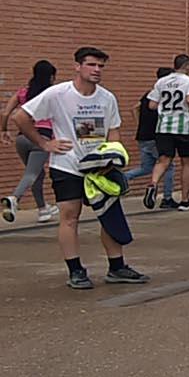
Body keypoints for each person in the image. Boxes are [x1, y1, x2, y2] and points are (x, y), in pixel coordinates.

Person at [8, 47, 147, 289]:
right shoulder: (57, 94)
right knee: (70, 217)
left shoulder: (107, 98)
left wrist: (112, 157)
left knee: (109, 217)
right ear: (77, 66)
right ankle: (76, 271)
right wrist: (44, 143)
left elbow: (113, 130)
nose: (96, 70)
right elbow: (20, 116)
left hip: (100, 168)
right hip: (67, 166)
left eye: (101, 66)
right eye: (91, 65)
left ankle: (117, 267)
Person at [143, 54, 189, 211]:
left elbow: (152, 105)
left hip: (163, 127)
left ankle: (153, 184)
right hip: (184, 127)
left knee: (163, 160)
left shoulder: (161, 82)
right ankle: (185, 200)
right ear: (187, 66)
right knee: (186, 162)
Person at [3, 60, 59, 223]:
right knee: (32, 173)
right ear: (51, 77)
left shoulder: (23, 92)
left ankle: (43, 210)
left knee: (38, 173)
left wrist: (4, 130)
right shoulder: (52, 94)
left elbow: (6, 113)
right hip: (41, 137)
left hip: (22, 137)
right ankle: (14, 198)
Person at [125, 66, 177, 210]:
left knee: (147, 167)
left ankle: (123, 179)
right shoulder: (164, 96)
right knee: (168, 166)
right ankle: (167, 198)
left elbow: (134, 108)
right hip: (155, 137)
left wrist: (140, 124)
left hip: (142, 136)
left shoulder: (149, 93)